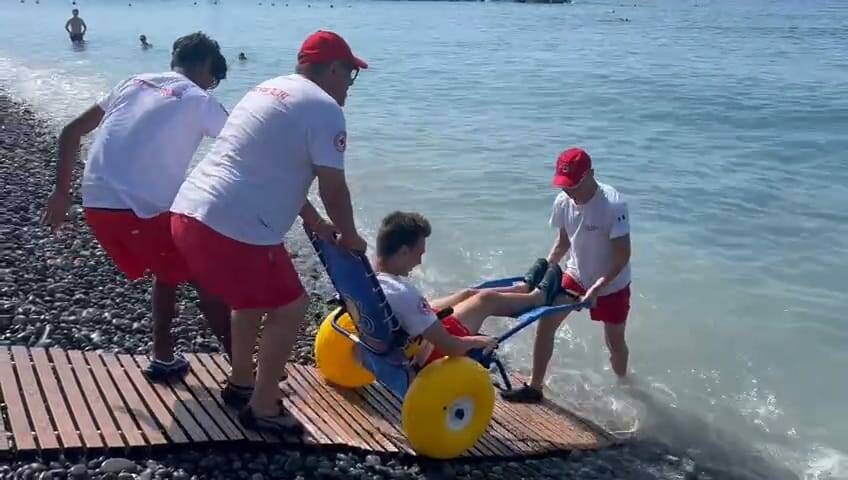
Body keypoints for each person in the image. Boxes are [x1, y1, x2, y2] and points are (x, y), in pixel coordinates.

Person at [169, 30, 368, 435]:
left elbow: (270, 170)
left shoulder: (268, 88)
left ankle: (242, 382)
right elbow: (333, 187)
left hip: (188, 214)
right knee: (291, 305)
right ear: (333, 68)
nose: (349, 85)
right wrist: (351, 237)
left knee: (252, 297)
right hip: (232, 226)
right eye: (349, 74)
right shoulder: (326, 109)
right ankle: (263, 407)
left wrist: (315, 224)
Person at [41, 32, 232, 382]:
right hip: (137, 211)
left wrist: (61, 194)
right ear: (205, 66)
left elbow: (70, 132)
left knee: (170, 263)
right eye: (214, 79)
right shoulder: (201, 99)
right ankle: (246, 373)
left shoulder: (133, 82)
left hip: (96, 206)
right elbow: (245, 144)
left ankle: (163, 358)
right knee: (210, 275)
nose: (212, 86)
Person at [502, 147, 632, 403]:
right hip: (577, 274)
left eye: (573, 185)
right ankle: (535, 388)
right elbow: (563, 243)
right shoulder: (563, 201)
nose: (568, 191)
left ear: (591, 175)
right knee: (545, 323)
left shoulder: (613, 204)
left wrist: (597, 287)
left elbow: (622, 255)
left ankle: (624, 385)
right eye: (564, 185)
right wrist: (546, 270)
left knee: (615, 344)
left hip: (612, 283)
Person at [373, 212, 566, 368]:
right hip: (426, 352)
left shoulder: (373, 280)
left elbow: (412, 312)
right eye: (418, 254)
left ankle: (522, 289)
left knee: (468, 294)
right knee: (485, 299)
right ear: (404, 252)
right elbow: (450, 346)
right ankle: (536, 298)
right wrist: (479, 341)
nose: (419, 262)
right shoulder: (404, 294)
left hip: (408, 335)